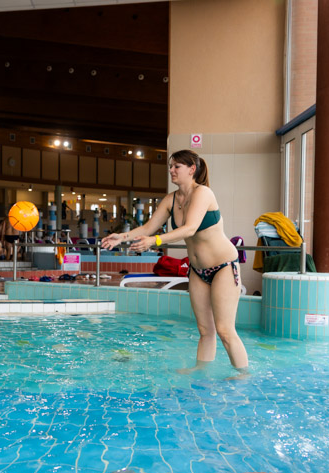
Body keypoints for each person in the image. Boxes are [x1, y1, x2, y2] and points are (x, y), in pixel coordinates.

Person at [101, 149, 248, 374]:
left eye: (176, 166)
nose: (171, 170)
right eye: (171, 166)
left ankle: (243, 377)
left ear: (192, 169)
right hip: (198, 271)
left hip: (223, 266)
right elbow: (149, 227)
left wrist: (155, 241)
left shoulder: (203, 193)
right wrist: (121, 237)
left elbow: (189, 229)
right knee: (205, 330)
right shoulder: (171, 199)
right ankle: (201, 373)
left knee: (225, 330)